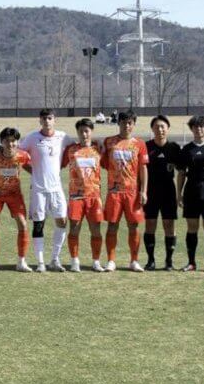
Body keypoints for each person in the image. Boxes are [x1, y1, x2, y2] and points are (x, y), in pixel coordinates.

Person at [19, 109, 74, 272]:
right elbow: (19, 156)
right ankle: (41, 262)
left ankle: (55, 260)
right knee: (39, 224)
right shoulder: (32, 137)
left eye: (50, 118)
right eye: (44, 118)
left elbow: (74, 148)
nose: (47, 121)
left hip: (56, 189)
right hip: (39, 190)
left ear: (55, 120)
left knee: (62, 221)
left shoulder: (63, 137)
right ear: (40, 120)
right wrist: (33, 171)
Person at [101, 110, 148, 272]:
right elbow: (104, 163)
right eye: (123, 122)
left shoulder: (139, 144)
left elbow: (143, 169)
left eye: (130, 123)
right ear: (118, 123)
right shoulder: (109, 142)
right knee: (112, 225)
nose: (126, 126)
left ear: (133, 125)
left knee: (133, 226)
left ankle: (134, 261)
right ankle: (111, 261)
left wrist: (143, 191)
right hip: (114, 192)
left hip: (132, 193)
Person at [0, 128, 32, 272]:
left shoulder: (22, 156)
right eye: (6, 141)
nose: (10, 144)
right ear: (1, 142)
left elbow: (31, 169)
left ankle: (21, 262)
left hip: (14, 194)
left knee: (23, 224)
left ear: (17, 142)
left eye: (13, 141)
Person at [176, 115, 204, 272]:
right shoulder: (187, 149)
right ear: (191, 129)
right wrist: (179, 194)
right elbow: (181, 173)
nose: (198, 129)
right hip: (191, 190)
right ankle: (191, 262)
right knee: (192, 227)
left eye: (202, 126)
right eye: (195, 126)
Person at [61, 119, 105, 272]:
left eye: (87, 131)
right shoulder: (71, 150)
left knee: (96, 230)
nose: (84, 134)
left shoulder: (98, 149)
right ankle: (74, 261)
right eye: (81, 131)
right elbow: (58, 164)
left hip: (94, 197)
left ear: (91, 132)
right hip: (76, 197)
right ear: (77, 133)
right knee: (74, 229)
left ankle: (96, 262)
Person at [143, 115, 180, 271]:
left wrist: (180, 194)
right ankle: (150, 260)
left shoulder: (174, 148)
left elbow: (182, 170)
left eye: (162, 126)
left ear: (168, 129)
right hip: (150, 191)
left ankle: (169, 261)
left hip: (168, 192)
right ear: (152, 129)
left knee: (169, 225)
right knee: (150, 224)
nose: (160, 129)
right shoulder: (146, 147)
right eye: (157, 127)